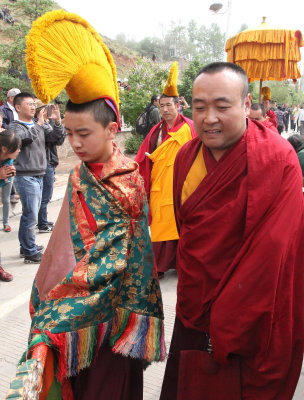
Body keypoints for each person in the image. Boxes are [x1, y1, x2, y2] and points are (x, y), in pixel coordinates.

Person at [8, 10, 165, 400]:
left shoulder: (126, 181)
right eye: (70, 134)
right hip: (77, 302)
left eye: (84, 134)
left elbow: (109, 263)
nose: (74, 144)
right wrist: (51, 290)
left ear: (113, 130)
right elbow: (64, 241)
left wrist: (60, 309)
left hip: (107, 313)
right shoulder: (81, 173)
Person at [160, 62, 304, 400]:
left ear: (245, 104)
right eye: (199, 107)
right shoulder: (185, 158)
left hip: (253, 320)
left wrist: (227, 319)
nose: (209, 118)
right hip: (195, 308)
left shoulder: (277, 159)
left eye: (222, 106)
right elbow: (189, 232)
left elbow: (276, 252)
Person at [135, 62, 196, 278]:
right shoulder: (156, 131)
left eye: (169, 105)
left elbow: (199, 154)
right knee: (160, 224)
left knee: (183, 224)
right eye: (161, 106)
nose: (165, 110)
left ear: (178, 105)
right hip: (161, 186)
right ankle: (159, 265)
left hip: (183, 186)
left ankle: (183, 264)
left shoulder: (190, 127)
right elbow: (142, 158)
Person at [9, 93, 65, 263]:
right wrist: (39, 124)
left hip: (39, 175)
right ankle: (29, 252)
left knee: (31, 213)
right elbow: (23, 140)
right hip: (25, 176)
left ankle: (27, 246)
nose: (34, 107)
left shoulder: (37, 125)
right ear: (18, 107)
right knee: (31, 215)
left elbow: (57, 139)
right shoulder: (15, 126)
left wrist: (57, 122)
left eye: (34, 104)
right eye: (29, 104)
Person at [35, 100, 66, 233]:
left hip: (50, 161)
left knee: (46, 195)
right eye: (45, 109)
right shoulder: (40, 125)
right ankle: (42, 224)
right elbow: (55, 136)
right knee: (45, 196)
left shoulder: (47, 123)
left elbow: (59, 139)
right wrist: (58, 122)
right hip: (45, 163)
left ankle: (43, 220)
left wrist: (58, 122)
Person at [0, 126, 20, 233]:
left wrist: (10, 171)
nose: (19, 150)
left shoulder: (9, 158)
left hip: (7, 178)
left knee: (6, 199)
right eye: (16, 148)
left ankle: (6, 222)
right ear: (4, 149)